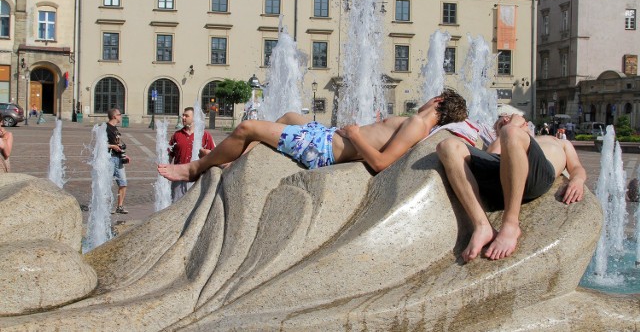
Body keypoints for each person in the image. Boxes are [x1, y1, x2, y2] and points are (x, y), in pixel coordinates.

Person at [158, 88, 468, 182]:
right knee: (291, 115)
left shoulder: (418, 123)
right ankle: (235, 162)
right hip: (326, 136)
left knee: (247, 128)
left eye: (433, 97)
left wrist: (356, 135)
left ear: (438, 102)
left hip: (323, 150)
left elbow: (382, 163)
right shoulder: (420, 125)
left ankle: (193, 170)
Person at [436, 112, 586, 263]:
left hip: (537, 175)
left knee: (511, 132)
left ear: (526, 125)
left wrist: (577, 181)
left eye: (513, 119)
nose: (508, 120)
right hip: (503, 173)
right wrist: (502, 133)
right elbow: (492, 155)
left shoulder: (559, 141)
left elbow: (577, 168)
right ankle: (482, 226)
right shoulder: (507, 136)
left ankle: (511, 224)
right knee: (447, 146)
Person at [168, 107, 216, 202]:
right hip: (179, 176)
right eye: (183, 115)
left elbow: (214, 154)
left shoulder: (205, 135)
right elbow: (169, 155)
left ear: (194, 118)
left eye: (186, 116)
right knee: (176, 205)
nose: (183, 118)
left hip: (198, 178)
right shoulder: (177, 135)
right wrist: (167, 170)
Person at [106, 108, 130, 214]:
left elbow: (118, 144)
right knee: (106, 184)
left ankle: (120, 206)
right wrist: (112, 146)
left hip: (118, 159)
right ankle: (106, 206)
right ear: (114, 116)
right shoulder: (105, 128)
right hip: (109, 159)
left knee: (123, 183)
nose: (121, 116)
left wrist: (124, 155)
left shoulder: (115, 129)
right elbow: (99, 144)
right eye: (120, 114)